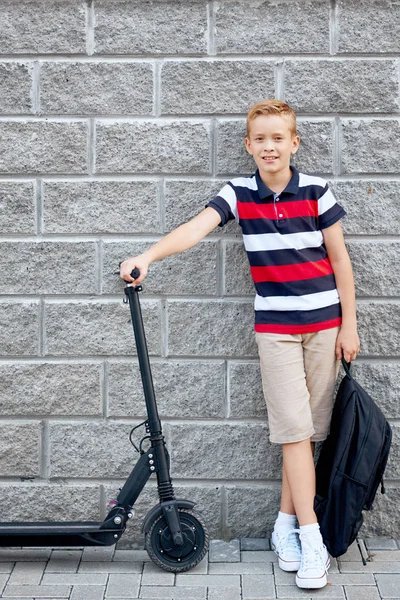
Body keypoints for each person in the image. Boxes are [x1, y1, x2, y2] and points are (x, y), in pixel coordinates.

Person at [120, 99, 360, 589]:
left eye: (278, 138)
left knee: (307, 434)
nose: (269, 147)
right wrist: (148, 255)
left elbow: (341, 262)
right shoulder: (239, 194)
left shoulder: (316, 191)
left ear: (294, 143)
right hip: (275, 330)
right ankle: (312, 540)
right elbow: (194, 229)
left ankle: (282, 526)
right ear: (248, 145)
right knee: (293, 432)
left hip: (325, 327)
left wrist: (349, 325)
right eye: (260, 139)